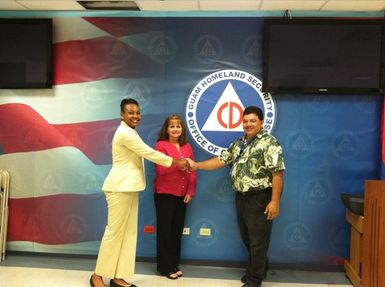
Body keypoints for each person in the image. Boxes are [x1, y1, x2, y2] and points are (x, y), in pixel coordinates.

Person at [90, 98, 189, 287]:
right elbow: (149, 153)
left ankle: (118, 277)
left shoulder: (130, 132)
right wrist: (177, 162)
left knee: (127, 234)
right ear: (122, 114)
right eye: (130, 112)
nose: (135, 116)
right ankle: (97, 276)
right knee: (114, 233)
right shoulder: (125, 134)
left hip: (129, 188)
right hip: (119, 188)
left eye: (137, 112)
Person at [188, 106, 285, 287]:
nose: (248, 124)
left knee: (258, 241)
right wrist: (197, 166)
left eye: (253, 121)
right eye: (246, 121)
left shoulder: (269, 143)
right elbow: (220, 160)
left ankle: (254, 281)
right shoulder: (239, 143)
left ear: (261, 122)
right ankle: (258, 270)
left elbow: (277, 174)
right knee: (248, 238)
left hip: (260, 198)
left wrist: (274, 201)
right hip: (241, 197)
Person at [153, 114, 196, 279]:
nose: (175, 129)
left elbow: (193, 171)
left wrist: (190, 190)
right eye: (172, 126)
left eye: (178, 126)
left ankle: (174, 264)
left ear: (182, 129)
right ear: (167, 129)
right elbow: (160, 170)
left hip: (182, 195)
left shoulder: (187, 147)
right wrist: (180, 164)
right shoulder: (160, 145)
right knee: (165, 231)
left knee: (176, 231)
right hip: (164, 194)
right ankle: (165, 267)